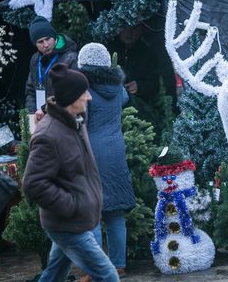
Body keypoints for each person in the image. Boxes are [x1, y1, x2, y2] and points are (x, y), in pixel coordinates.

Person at [22, 64, 119, 282]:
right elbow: (33, 184)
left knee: (54, 275)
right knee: (108, 276)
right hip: (67, 224)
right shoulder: (48, 135)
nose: (89, 98)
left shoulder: (76, 122)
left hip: (73, 219)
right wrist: (71, 204)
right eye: (84, 93)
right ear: (71, 98)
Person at [78, 43, 136, 279]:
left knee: (93, 212)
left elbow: (80, 124)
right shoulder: (117, 86)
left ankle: (94, 269)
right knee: (115, 213)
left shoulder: (85, 90)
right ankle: (118, 265)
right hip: (116, 151)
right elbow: (123, 99)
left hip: (92, 152)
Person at [24, 16, 78, 123]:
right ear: (35, 44)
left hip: (62, 118)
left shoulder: (71, 58)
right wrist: (31, 113)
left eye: (48, 39)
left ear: (54, 37)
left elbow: (71, 92)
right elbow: (30, 89)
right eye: (40, 41)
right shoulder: (35, 59)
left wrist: (45, 109)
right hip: (39, 116)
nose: (46, 45)